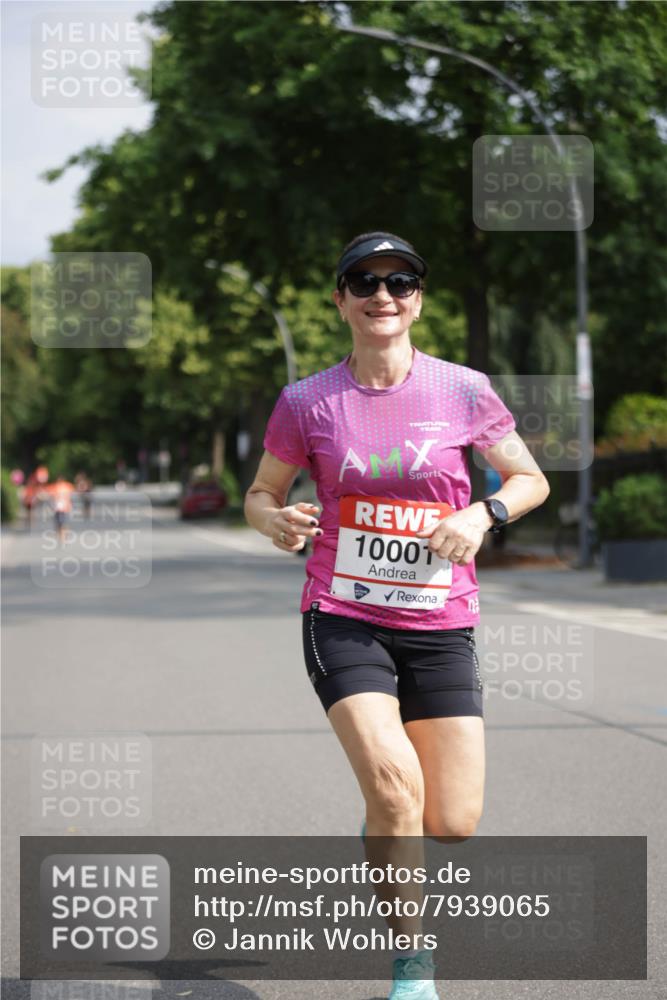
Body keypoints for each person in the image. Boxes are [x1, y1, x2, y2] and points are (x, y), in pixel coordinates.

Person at [244, 232, 549, 999]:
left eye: (400, 281)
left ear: (418, 297)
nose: (383, 294)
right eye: (363, 280)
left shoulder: (462, 390)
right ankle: (413, 968)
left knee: (449, 820)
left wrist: (483, 516)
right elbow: (260, 493)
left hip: (440, 619)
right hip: (341, 612)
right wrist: (273, 522)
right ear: (339, 298)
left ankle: (388, 828)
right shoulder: (306, 401)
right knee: (391, 786)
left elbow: (529, 479)